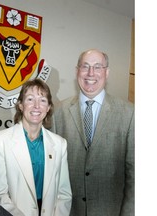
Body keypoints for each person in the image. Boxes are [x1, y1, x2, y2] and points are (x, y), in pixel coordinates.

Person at [52, 49, 134, 216]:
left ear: (107, 72)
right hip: (68, 211)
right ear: (77, 71)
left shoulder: (129, 113)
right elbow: (52, 172)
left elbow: (135, 175)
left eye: (98, 67)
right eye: (85, 66)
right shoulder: (58, 112)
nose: (91, 73)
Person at [0, 78, 72, 216]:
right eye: (30, 99)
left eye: (43, 100)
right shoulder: (0, 141)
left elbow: (64, 194)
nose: (36, 106)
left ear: (48, 107)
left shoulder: (60, 144)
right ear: (20, 105)